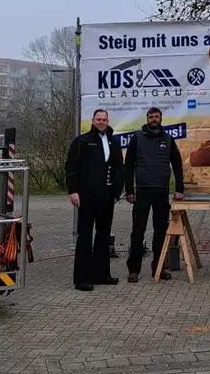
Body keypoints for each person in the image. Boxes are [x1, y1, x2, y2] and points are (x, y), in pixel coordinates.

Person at [65, 108, 124, 291]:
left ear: (107, 121)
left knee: (103, 235)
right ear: (92, 120)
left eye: (104, 119)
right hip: (86, 196)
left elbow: (118, 168)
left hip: (106, 197)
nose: (101, 122)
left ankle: (101, 274)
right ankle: (82, 278)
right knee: (85, 236)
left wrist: (116, 192)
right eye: (98, 119)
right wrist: (73, 191)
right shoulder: (82, 141)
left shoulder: (113, 142)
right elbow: (71, 167)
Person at [124, 106, 184, 282]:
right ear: (147, 119)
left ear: (161, 119)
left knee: (161, 231)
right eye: (151, 117)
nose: (154, 119)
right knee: (137, 231)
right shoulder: (137, 138)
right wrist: (129, 190)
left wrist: (179, 189)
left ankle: (159, 267)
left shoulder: (168, 139)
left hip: (161, 191)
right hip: (142, 191)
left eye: (156, 117)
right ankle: (133, 269)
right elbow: (128, 165)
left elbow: (178, 166)